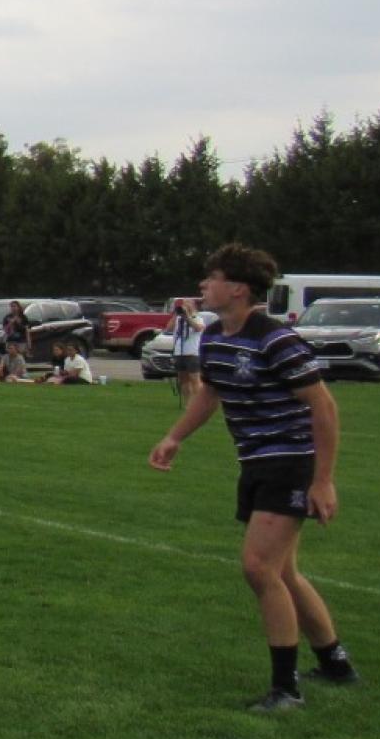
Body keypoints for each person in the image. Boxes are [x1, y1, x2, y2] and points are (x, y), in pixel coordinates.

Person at [149, 243, 359, 713]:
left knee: (259, 568)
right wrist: (174, 437)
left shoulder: (276, 340)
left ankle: (286, 690)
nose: (203, 285)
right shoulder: (217, 337)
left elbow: (323, 407)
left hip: (290, 461)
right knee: (282, 570)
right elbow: (211, 393)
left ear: (238, 288)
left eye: (212, 278)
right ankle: (335, 662)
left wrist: (323, 481)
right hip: (256, 463)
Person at [171, 297, 217, 402]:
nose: (185, 305)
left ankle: (199, 402)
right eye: (184, 303)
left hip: (193, 352)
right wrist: (176, 314)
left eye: (188, 303)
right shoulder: (179, 319)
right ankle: (188, 403)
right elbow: (169, 328)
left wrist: (187, 317)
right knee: (183, 380)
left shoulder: (198, 317)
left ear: (194, 306)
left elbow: (198, 328)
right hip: (179, 352)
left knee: (195, 379)